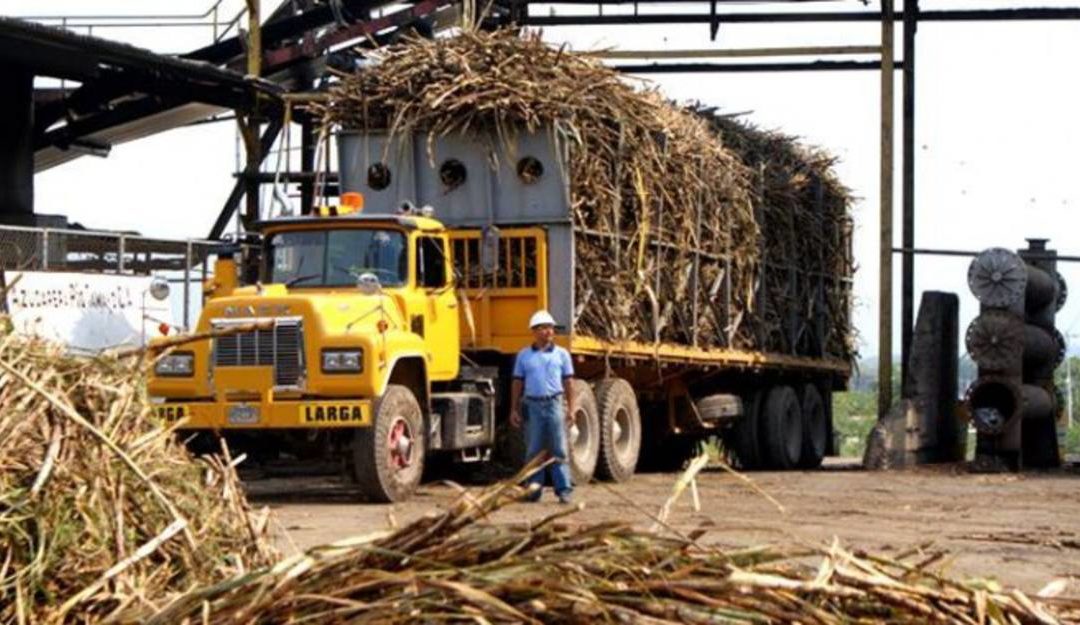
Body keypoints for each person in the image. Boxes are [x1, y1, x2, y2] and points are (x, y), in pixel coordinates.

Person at [510, 310, 575, 504]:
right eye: (544, 328)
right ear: (534, 331)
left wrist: (572, 408)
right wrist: (513, 409)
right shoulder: (524, 356)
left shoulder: (562, 355)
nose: (548, 332)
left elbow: (569, 382)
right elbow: (517, 382)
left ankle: (564, 490)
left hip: (554, 403)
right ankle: (533, 491)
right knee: (533, 450)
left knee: (559, 449)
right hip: (533, 405)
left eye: (550, 328)